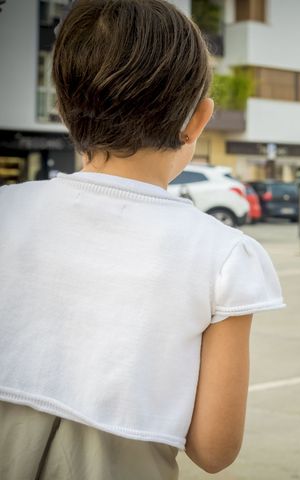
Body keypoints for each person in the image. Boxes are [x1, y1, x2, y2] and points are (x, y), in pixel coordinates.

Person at [0, 1, 284, 478]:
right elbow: (214, 450)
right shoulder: (225, 257)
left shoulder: (6, 211)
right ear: (198, 119)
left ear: (64, 109)